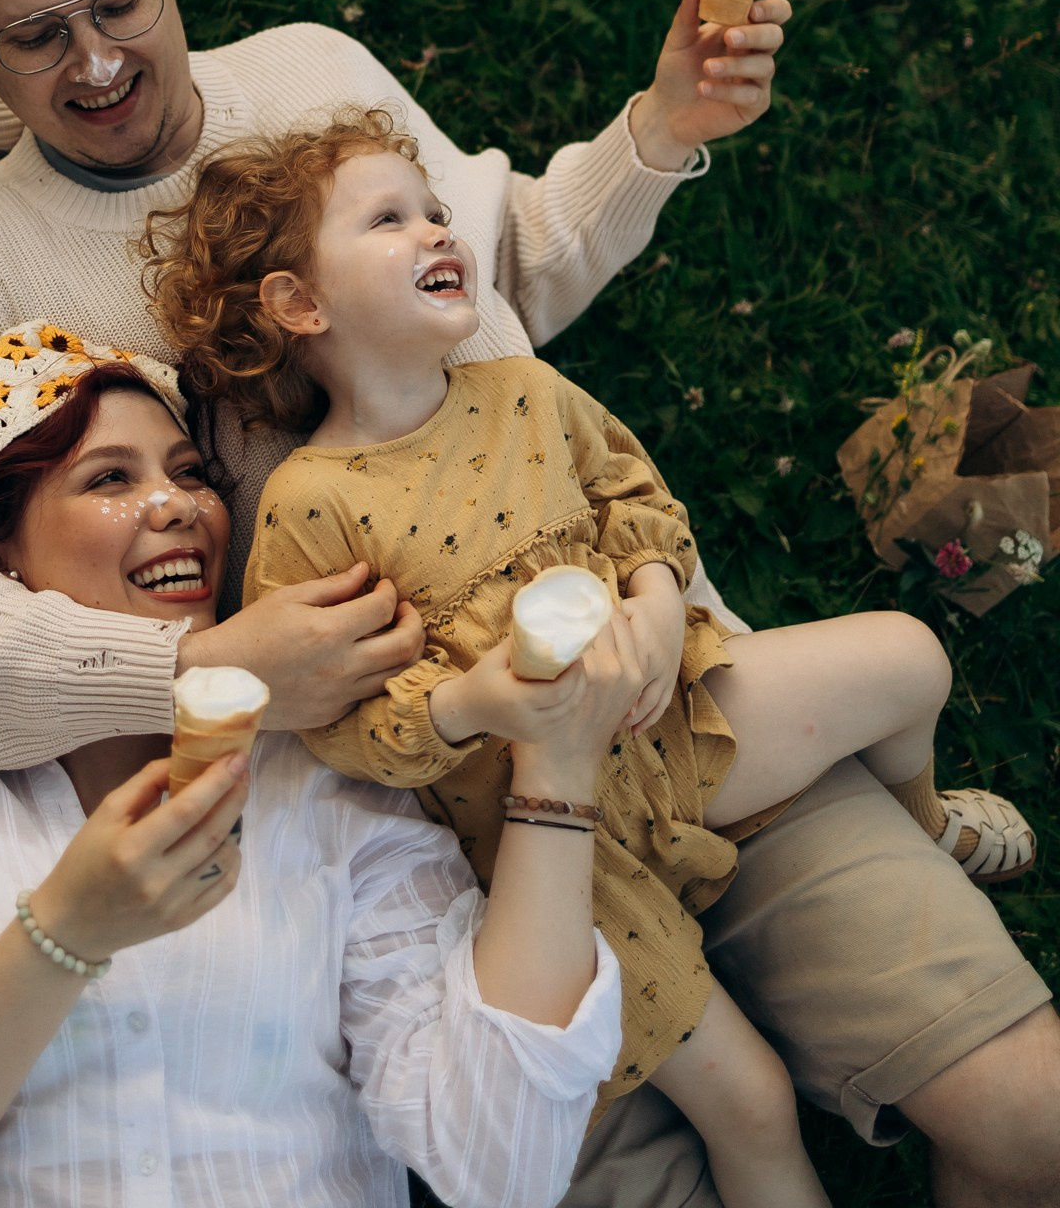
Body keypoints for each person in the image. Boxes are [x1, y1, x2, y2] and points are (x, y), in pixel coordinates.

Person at [0, 0, 1059, 1208]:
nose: (96, 63)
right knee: (703, 1144)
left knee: (1032, 1126)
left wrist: (656, 133)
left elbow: (492, 267)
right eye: (36, 36)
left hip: (679, 708)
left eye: (118, 4)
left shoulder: (311, 71)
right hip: (467, 848)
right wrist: (202, 667)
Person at [144, 108, 1037, 1208]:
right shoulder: (311, 501)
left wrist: (657, 600)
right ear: (300, 304)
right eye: (390, 220)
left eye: (435, 212)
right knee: (751, 1105)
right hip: (554, 837)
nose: (438, 231)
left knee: (909, 656)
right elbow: (337, 721)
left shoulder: (522, 394)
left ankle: (923, 821)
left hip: (675, 722)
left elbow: (630, 494)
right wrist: (472, 703)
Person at [0, 328, 637, 1208]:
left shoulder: (318, 773)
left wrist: (557, 765)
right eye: (109, 479)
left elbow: (503, 1162)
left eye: (192, 473)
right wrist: (63, 934)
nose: (178, 506)